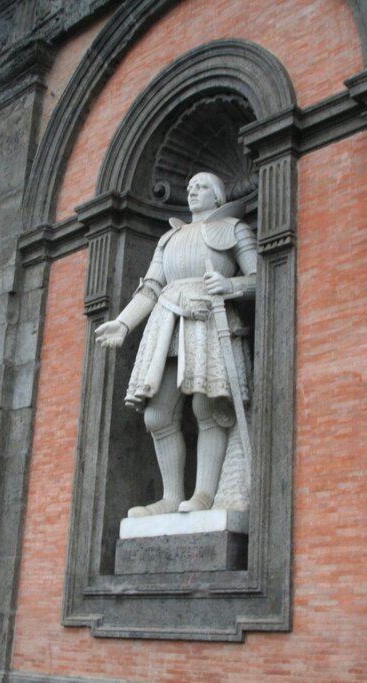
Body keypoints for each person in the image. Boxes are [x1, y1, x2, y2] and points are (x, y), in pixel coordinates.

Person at [96, 172, 255, 517]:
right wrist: (123, 323)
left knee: (207, 406)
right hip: (167, 321)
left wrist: (229, 286)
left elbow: (261, 278)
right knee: (156, 414)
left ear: (218, 196)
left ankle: (203, 495)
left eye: (202, 187)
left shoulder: (233, 228)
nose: (193, 192)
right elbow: (151, 287)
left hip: (208, 320)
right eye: (190, 187)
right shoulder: (168, 239)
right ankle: (171, 497)